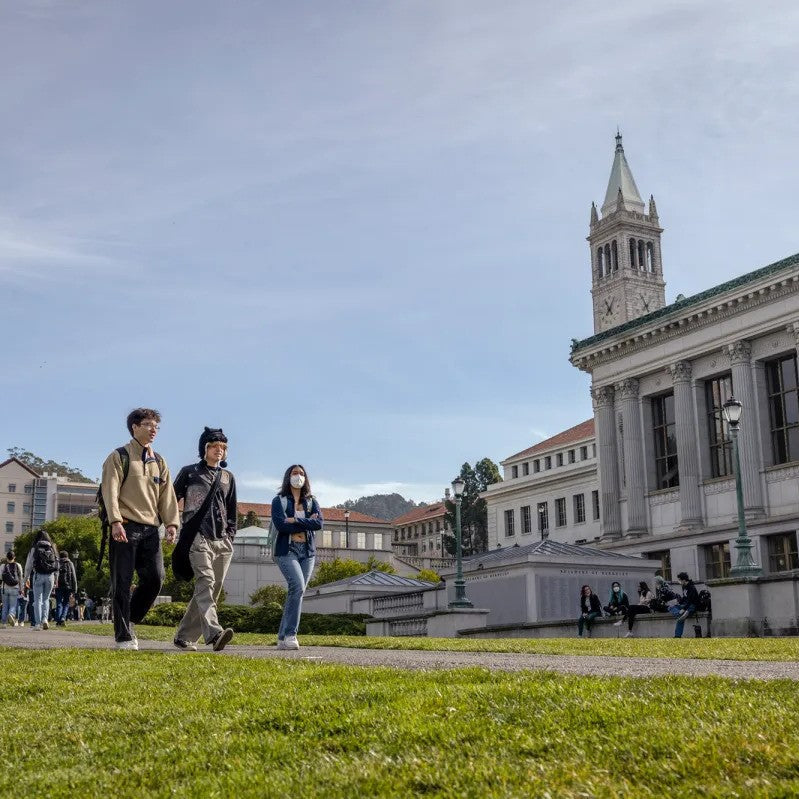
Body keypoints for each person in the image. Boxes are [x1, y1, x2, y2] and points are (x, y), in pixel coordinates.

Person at [100, 407, 180, 650]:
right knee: (122, 582)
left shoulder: (160, 461)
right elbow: (110, 491)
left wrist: (172, 524)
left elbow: (167, 496)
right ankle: (123, 636)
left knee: (156, 579)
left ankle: (130, 620)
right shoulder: (119, 456)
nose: (153, 429)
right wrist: (114, 521)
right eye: (147, 424)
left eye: (156, 425)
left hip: (149, 530)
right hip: (124, 526)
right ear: (134, 427)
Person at [171, 427, 237, 653]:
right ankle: (214, 633)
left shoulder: (228, 477)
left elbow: (232, 510)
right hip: (197, 535)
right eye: (214, 446)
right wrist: (171, 525)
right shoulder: (189, 473)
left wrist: (230, 535)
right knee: (206, 581)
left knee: (211, 587)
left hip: (222, 540)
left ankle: (183, 637)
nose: (219, 451)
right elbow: (171, 499)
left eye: (223, 447)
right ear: (205, 448)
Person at [272, 465, 323, 651]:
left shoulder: (311, 501)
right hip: (287, 550)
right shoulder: (279, 501)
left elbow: (319, 524)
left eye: (301, 473)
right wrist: (306, 523)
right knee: (298, 587)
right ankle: (291, 634)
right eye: (295, 473)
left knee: (296, 592)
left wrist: (295, 520)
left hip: (307, 552)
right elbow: (280, 525)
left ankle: (281, 637)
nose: (298, 476)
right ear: (288, 477)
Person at [23, 531, 60, 630]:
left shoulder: (35, 547)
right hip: (50, 576)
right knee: (46, 599)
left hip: (38, 575)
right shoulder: (53, 547)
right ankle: (45, 620)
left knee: (37, 600)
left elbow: (28, 565)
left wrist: (25, 579)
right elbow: (57, 563)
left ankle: (37, 624)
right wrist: (56, 578)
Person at [670, 571, 700, 638]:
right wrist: (679, 602)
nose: (679, 582)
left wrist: (684, 609)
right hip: (685, 605)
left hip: (692, 606)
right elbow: (684, 597)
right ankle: (680, 614)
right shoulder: (683, 586)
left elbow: (691, 601)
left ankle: (677, 636)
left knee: (680, 619)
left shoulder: (692, 588)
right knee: (671, 606)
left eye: (680, 580)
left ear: (683, 580)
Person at [55, 551, 78, 627]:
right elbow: (74, 577)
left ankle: (58, 620)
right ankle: (63, 618)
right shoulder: (70, 563)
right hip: (68, 586)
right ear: (67, 556)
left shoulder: (57, 563)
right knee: (66, 603)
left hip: (58, 586)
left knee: (58, 602)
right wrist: (75, 589)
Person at [1, 551, 24, 626]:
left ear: (7, 557)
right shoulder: (18, 565)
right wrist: (21, 589)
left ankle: (4, 623)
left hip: (4, 587)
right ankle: (11, 614)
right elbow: (20, 578)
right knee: (13, 605)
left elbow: (1, 577)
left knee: (5, 605)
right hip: (15, 588)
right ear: (14, 557)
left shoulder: (2, 566)